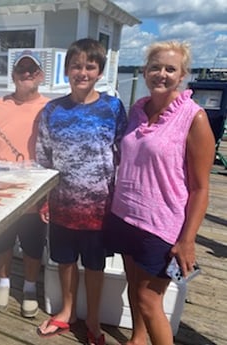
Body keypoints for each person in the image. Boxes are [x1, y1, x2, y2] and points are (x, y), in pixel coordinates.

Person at [104, 41, 215, 345]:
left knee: (149, 300)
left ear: (182, 76)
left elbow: (200, 187)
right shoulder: (138, 110)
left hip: (163, 226)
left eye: (170, 69)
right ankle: (137, 339)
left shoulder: (195, 117)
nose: (161, 74)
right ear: (144, 72)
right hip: (126, 215)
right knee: (133, 287)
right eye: (155, 67)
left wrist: (188, 240)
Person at [35, 38, 127, 345]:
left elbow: (123, 152)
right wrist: (43, 200)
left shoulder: (112, 107)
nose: (82, 72)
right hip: (61, 205)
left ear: (100, 71)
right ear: (67, 70)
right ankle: (68, 311)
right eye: (76, 65)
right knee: (64, 261)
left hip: (100, 209)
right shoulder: (52, 110)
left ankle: (93, 320)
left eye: (90, 66)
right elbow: (43, 157)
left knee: (95, 265)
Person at [0, 50, 50, 318]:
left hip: (34, 192)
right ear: (13, 75)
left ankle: (29, 286)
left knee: (32, 243)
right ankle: (3, 281)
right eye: (21, 69)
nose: (26, 74)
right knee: (2, 242)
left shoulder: (50, 108)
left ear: (40, 75)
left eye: (32, 69)